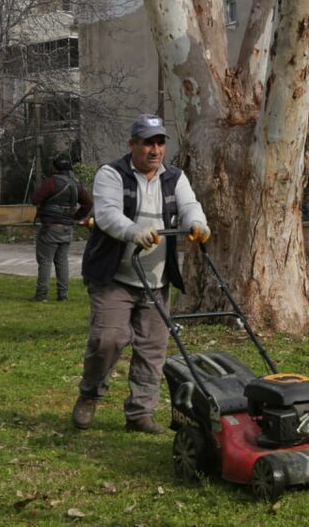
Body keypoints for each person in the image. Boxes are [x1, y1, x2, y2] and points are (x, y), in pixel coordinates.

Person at [70, 114, 211, 434]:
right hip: (114, 276)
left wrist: (198, 224)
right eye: (148, 142)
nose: (155, 149)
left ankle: (140, 413)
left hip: (156, 280)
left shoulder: (175, 178)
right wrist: (134, 232)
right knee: (108, 339)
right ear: (132, 144)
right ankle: (90, 394)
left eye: (160, 143)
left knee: (152, 348)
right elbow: (106, 215)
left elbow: (190, 205)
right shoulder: (112, 174)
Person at [28, 155, 93, 302]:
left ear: (55, 167)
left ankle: (41, 295)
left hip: (50, 227)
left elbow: (35, 200)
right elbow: (88, 203)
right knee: (62, 261)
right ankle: (63, 295)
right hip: (67, 227)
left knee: (45, 261)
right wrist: (75, 217)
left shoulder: (51, 183)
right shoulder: (75, 185)